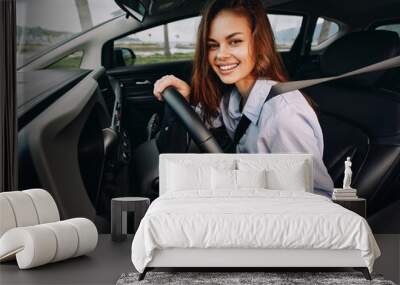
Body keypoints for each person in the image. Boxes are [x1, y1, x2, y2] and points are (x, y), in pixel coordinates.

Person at [153, 0, 333, 196]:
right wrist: (186, 99)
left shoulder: (284, 117)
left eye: (235, 41)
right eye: (213, 45)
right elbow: (208, 124)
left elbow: (316, 197)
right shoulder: (233, 98)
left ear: (258, 43)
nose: (220, 55)